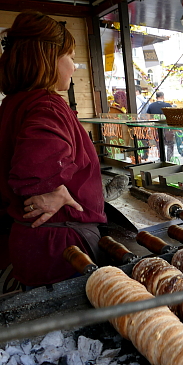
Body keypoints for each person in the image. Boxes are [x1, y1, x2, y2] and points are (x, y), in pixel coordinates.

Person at [0, 11, 108, 288]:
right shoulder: (47, 104)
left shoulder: (12, 103)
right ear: (47, 58)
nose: (74, 67)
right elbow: (34, 171)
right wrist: (50, 187)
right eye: (70, 56)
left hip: (33, 243)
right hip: (61, 249)